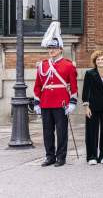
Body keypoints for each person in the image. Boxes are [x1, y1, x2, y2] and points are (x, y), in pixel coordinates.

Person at [34, 38, 79, 167]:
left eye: (54, 48)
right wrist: (37, 102)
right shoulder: (43, 65)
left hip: (61, 103)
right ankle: (50, 156)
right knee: (47, 132)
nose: (51, 50)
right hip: (46, 102)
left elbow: (74, 86)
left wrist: (72, 102)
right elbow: (38, 85)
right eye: (49, 48)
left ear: (60, 49)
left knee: (61, 132)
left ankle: (61, 157)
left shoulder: (68, 65)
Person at [82, 50, 103, 165]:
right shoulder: (89, 74)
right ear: (95, 61)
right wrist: (86, 107)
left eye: (102, 59)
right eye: (98, 59)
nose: (100, 61)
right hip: (93, 107)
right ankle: (92, 156)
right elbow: (85, 91)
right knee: (92, 132)